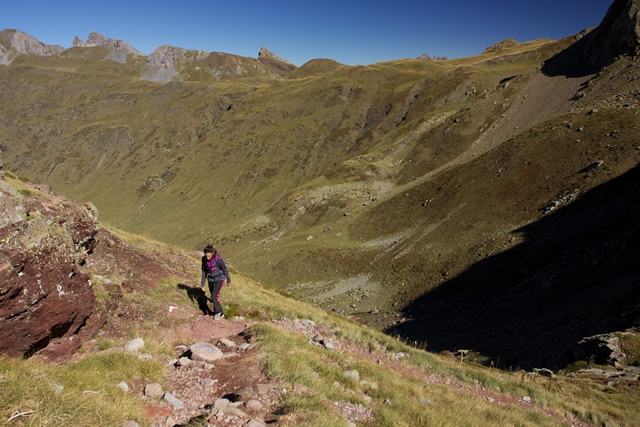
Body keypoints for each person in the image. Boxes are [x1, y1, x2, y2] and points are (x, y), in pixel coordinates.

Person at [200, 244, 232, 319]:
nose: (207, 258)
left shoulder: (218, 259)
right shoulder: (204, 259)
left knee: (213, 296)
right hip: (210, 280)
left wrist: (228, 280)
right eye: (206, 256)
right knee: (216, 297)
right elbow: (204, 272)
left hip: (219, 279)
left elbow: (224, 269)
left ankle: (217, 312)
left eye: (208, 256)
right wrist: (202, 284)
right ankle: (222, 313)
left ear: (212, 253)